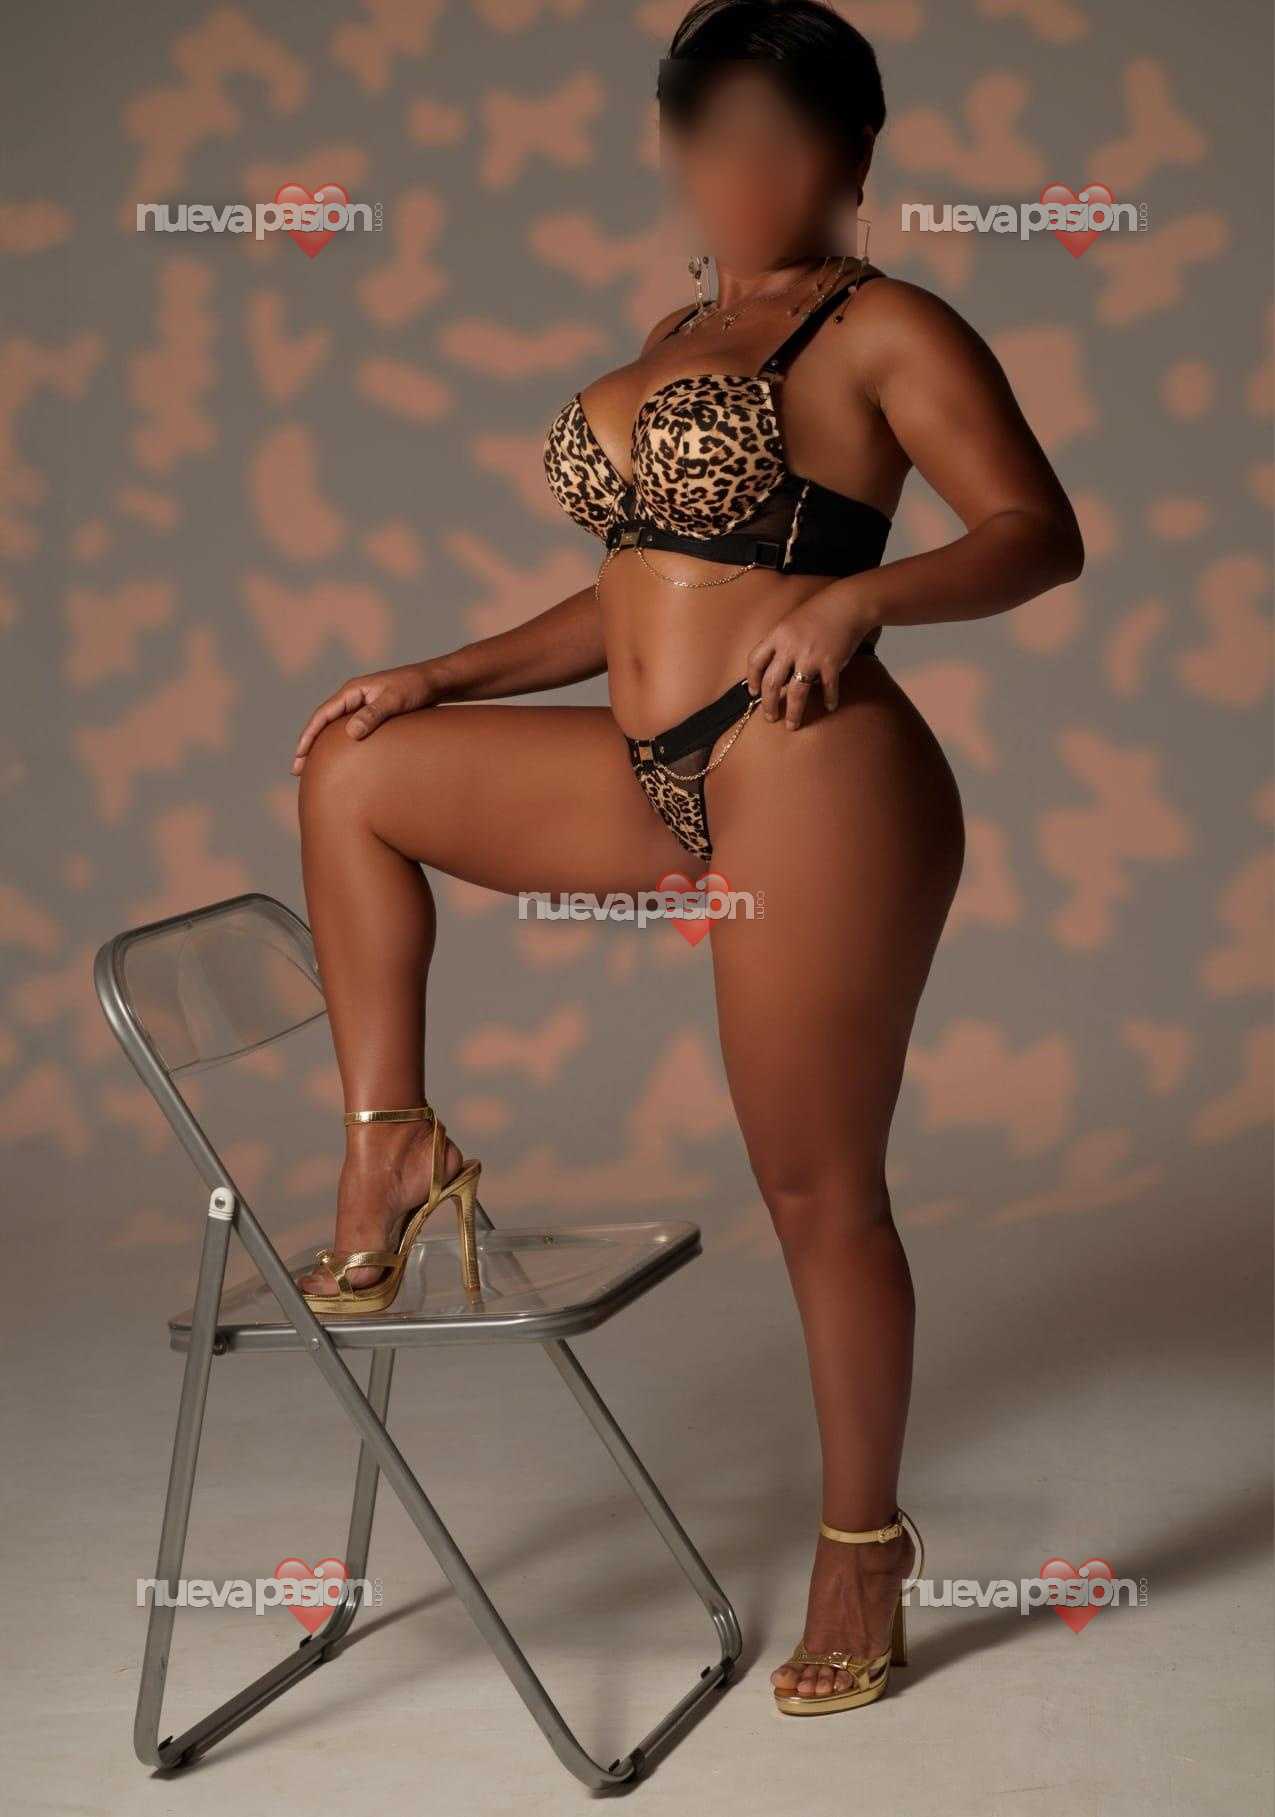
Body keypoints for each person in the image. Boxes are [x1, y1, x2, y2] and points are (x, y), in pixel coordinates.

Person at [288, 0, 1083, 1717]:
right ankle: (391, 1144)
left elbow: (1039, 533)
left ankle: (863, 1543)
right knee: (357, 768)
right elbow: (637, 591)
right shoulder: (677, 330)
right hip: (656, 767)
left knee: (814, 1184)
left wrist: (861, 599)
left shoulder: (887, 327)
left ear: (855, 154)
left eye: (782, 140)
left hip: (818, 767)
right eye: (710, 136)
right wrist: (444, 672)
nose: (743, 173)